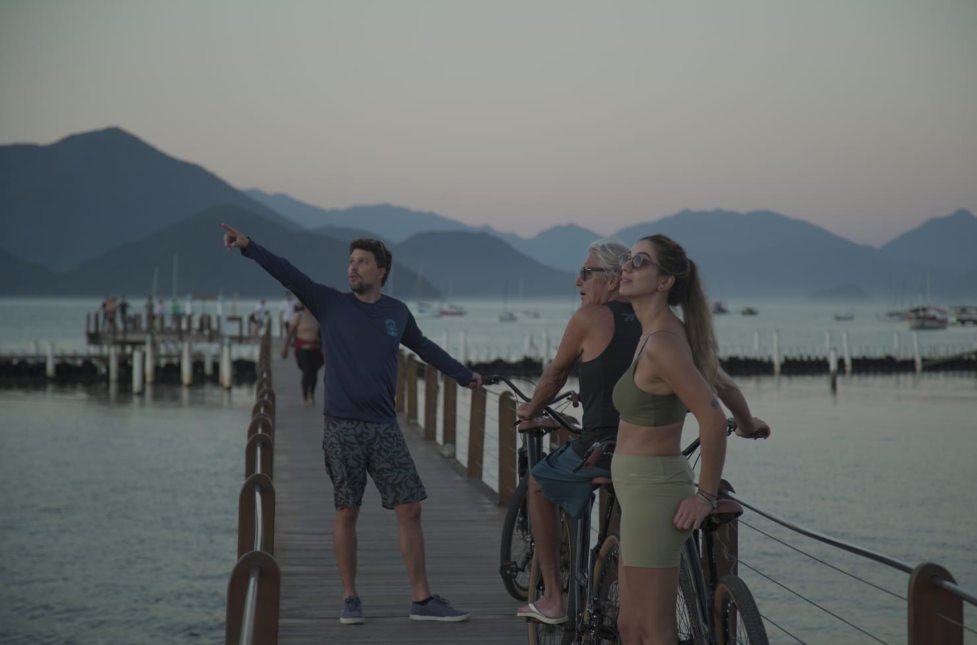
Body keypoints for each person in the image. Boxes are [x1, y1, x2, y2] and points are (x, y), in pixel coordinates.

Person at [221, 222, 481, 624]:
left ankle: (422, 599)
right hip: (342, 426)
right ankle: (349, 597)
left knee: (410, 507)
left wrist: (465, 375)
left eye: (362, 262)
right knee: (348, 510)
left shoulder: (397, 313)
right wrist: (248, 246)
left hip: (384, 426)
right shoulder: (329, 303)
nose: (353, 268)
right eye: (351, 262)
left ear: (382, 271)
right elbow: (287, 272)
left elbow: (424, 347)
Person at [612, 234, 769, 645]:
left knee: (654, 631)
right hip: (639, 491)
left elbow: (711, 419)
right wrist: (748, 422)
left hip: (653, 491)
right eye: (628, 260)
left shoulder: (662, 342)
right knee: (630, 627)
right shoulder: (661, 334)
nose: (625, 267)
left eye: (638, 262)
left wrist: (704, 496)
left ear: (664, 282)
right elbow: (717, 381)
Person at [512, 238, 641, 624]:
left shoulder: (589, 319)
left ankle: (554, 598)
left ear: (615, 278)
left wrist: (530, 409)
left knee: (538, 482)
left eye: (586, 273)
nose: (577, 282)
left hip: (601, 448)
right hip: (647, 447)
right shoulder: (653, 318)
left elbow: (553, 376)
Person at [281, 301, 323, 406]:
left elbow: (322, 334)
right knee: (306, 371)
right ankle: (304, 397)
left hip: (315, 348)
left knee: (314, 373)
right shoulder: (298, 316)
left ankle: (311, 394)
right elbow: (290, 334)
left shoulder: (317, 316)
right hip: (302, 348)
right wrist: (285, 349)